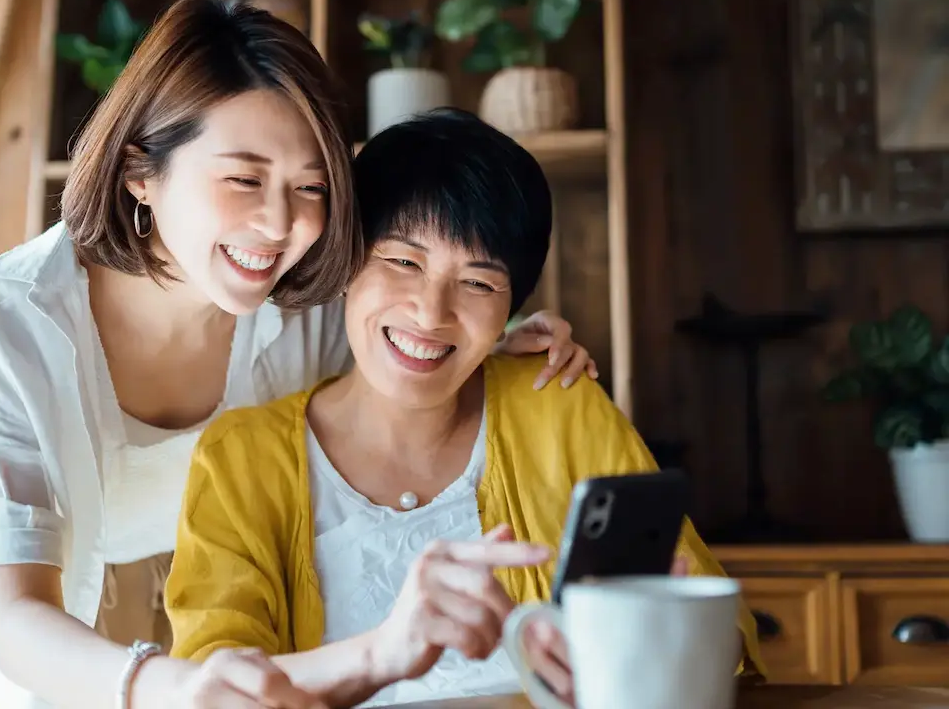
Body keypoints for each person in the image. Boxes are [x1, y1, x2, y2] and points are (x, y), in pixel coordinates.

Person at [0, 0, 596, 708]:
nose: (280, 224)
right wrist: (169, 684)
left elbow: (402, 341)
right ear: (138, 171)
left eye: (310, 186)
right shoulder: (17, 314)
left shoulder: (304, 304)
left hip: (189, 614)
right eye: (244, 178)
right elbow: (17, 619)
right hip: (0, 632)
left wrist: (496, 346)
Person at [164, 109, 767, 707]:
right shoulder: (239, 458)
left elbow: (719, 620)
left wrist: (659, 637)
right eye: (403, 262)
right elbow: (211, 687)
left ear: (511, 306)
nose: (431, 313)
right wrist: (378, 654)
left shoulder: (556, 406)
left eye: (478, 283)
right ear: (346, 261)